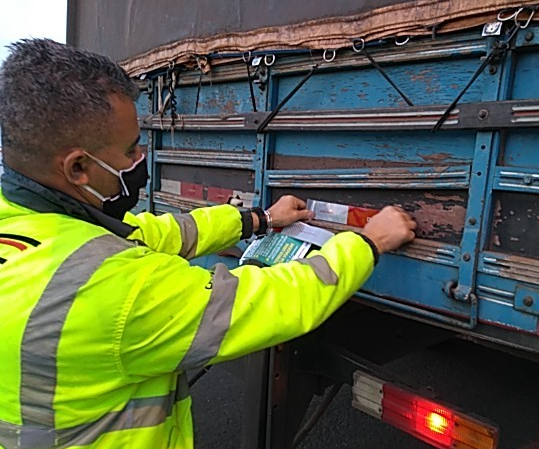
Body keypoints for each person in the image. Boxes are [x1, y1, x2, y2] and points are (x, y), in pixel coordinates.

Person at [0, 39, 416, 449]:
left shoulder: (30, 225)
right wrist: (370, 241)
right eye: (130, 152)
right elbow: (271, 301)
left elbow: (157, 233)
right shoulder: (111, 288)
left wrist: (261, 219)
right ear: (78, 168)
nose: (139, 160)